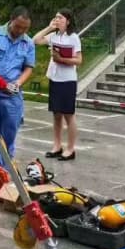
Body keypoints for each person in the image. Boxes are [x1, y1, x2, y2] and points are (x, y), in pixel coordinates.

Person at [0, 7, 36, 169]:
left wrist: (18, 83)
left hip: (12, 95)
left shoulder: (28, 43)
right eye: (18, 27)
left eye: (25, 28)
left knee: (10, 132)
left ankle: (6, 166)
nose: (21, 31)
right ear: (11, 21)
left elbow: (28, 67)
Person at [33, 9, 83, 161]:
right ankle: (57, 145)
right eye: (55, 17)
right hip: (55, 78)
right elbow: (35, 40)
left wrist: (62, 59)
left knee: (68, 114)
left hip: (68, 80)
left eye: (60, 18)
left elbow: (79, 60)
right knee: (56, 114)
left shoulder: (73, 37)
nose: (57, 20)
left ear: (67, 21)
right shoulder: (53, 36)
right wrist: (49, 27)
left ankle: (70, 148)